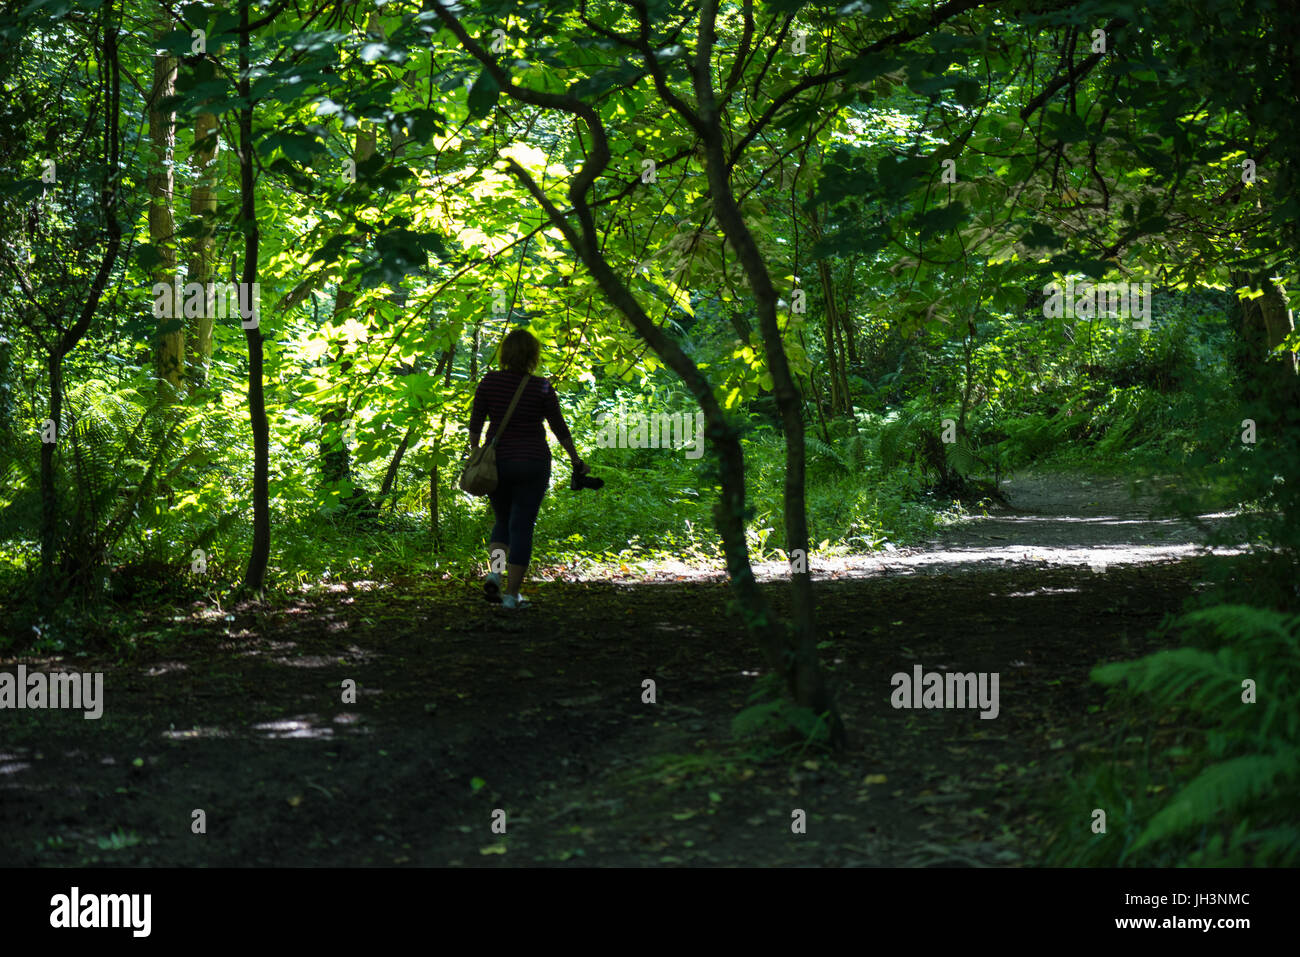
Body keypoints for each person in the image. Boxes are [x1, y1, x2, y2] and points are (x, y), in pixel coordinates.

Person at [468, 329, 588, 609]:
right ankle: (511, 595)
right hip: (533, 463)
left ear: (505, 354)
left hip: (498, 464)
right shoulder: (541, 386)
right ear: (533, 357)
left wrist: (475, 454)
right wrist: (574, 458)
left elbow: (476, 424)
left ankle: (495, 574)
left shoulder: (489, 382)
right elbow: (559, 427)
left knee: (502, 521)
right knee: (521, 526)